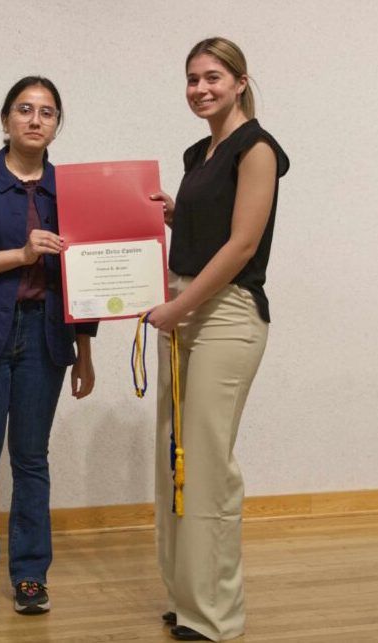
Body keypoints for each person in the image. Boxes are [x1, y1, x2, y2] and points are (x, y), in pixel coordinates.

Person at [0, 76, 97, 616]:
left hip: (46, 336)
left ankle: (30, 575)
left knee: (32, 459)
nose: (35, 119)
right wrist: (19, 255)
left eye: (47, 112)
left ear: (56, 125)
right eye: (24, 110)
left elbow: (87, 278)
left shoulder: (70, 189)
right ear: (5, 120)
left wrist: (85, 353)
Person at [147, 38, 289, 641]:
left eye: (212, 77)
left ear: (239, 81)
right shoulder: (199, 151)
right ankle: (187, 597)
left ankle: (215, 616)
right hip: (185, 311)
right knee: (172, 458)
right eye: (191, 79)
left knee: (206, 465)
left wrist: (178, 305)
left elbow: (243, 245)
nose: (200, 88)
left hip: (223, 315)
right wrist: (176, 214)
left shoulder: (257, 148)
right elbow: (214, 226)